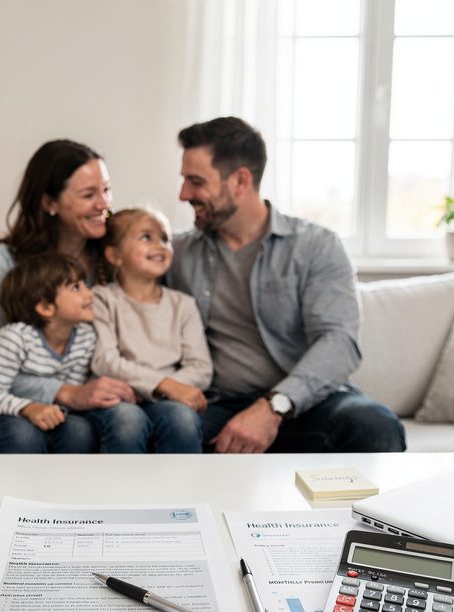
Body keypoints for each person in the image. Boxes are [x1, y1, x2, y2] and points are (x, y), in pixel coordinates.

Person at [168, 116, 405, 453]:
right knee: (165, 425)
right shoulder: (178, 253)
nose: (183, 194)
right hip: (218, 406)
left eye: (195, 182)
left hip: (307, 403)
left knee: (373, 424)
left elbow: (340, 342)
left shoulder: (315, 246)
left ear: (240, 181)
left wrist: (273, 406)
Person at [0, 139, 137, 453]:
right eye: (88, 195)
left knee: (80, 430)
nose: (104, 205)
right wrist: (66, 393)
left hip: (80, 395)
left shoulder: (117, 255)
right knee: (22, 434)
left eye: (106, 190)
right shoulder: (6, 261)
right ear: (50, 203)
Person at [90, 207, 213, 453]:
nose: (160, 245)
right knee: (128, 422)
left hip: (167, 399)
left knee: (182, 420)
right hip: (118, 397)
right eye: (146, 237)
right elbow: (105, 361)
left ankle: (183, 492)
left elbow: (201, 368)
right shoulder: (101, 299)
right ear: (115, 255)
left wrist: (166, 389)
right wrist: (163, 384)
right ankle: (124, 492)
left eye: (165, 238)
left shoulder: (183, 305)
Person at [0, 253, 98, 453]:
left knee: (79, 430)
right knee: (22, 433)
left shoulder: (85, 337)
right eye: (76, 287)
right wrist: (29, 409)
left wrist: (50, 414)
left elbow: (70, 393)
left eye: (84, 284)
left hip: (27, 412)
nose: (90, 294)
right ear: (45, 307)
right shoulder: (14, 338)